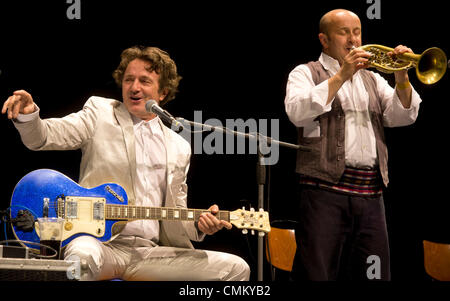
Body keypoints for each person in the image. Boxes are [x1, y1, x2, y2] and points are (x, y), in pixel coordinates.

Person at [2, 45, 250, 281]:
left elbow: (176, 212)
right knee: (80, 261)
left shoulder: (179, 146)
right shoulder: (100, 113)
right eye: (129, 79)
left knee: (235, 269)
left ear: (163, 93)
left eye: (144, 81)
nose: (134, 87)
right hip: (97, 244)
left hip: (150, 253)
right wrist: (29, 116)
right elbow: (44, 136)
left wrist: (200, 225)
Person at [284, 9, 422, 280]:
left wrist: (402, 77)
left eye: (357, 31)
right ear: (324, 40)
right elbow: (297, 112)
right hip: (324, 193)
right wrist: (341, 76)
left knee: (375, 275)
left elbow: (402, 116)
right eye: (343, 32)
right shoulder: (306, 72)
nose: (353, 39)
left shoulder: (371, 78)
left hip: (371, 196)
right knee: (317, 274)